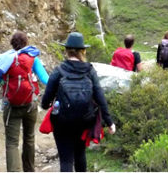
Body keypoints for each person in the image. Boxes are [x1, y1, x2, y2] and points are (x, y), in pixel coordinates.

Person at [41, 32, 116, 172]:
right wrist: (109, 122)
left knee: (66, 160)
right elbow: (100, 97)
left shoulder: (59, 70)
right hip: (84, 120)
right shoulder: (89, 71)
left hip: (62, 121)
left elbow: (46, 100)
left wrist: (46, 105)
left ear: (66, 50)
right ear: (83, 51)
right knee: (80, 154)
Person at [2, 32, 49, 172]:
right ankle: (29, 169)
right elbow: (45, 79)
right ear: (26, 43)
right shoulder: (32, 59)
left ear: (12, 44)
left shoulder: (5, 59)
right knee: (29, 137)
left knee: (12, 143)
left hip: (11, 106)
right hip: (30, 104)